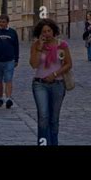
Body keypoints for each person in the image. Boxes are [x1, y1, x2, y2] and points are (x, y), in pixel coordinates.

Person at [30, 18, 72, 146]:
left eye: (49, 31)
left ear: (54, 31)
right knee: (43, 117)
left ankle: (53, 143)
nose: (46, 34)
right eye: (44, 32)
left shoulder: (62, 45)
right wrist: (39, 48)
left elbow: (68, 64)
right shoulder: (36, 45)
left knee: (54, 119)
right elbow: (34, 64)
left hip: (58, 84)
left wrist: (55, 74)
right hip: (40, 84)